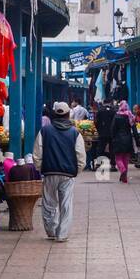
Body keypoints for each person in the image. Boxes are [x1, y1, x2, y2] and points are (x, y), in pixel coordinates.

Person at [36, 101, 86, 242]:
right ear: (68, 114)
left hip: (49, 172)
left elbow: (37, 153)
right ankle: (62, 234)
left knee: (49, 203)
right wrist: (76, 171)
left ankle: (51, 231)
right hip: (68, 174)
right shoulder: (75, 133)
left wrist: (41, 168)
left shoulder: (44, 131)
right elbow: (81, 156)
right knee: (66, 205)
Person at [110, 100, 136, 183]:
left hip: (118, 139)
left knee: (118, 158)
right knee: (126, 159)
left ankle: (122, 170)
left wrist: (112, 138)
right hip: (128, 139)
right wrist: (137, 140)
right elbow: (134, 129)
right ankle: (124, 178)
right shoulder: (130, 116)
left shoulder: (117, 116)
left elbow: (113, 129)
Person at [93, 102, 115, 169]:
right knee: (112, 149)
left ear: (103, 103)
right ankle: (113, 165)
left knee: (100, 149)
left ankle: (98, 164)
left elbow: (96, 122)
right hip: (112, 133)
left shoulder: (100, 111)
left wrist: (99, 130)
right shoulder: (113, 111)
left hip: (102, 133)